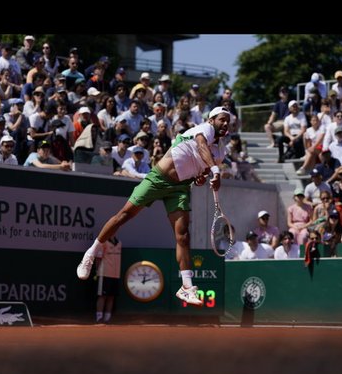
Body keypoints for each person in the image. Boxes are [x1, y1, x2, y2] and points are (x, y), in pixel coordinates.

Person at [76, 107, 232, 307]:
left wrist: (204, 178)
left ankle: (186, 287)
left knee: (183, 236)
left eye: (228, 121)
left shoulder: (220, 151)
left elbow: (199, 174)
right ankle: (91, 253)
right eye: (222, 119)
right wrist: (216, 171)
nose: (225, 123)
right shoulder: (204, 130)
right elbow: (201, 146)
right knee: (124, 215)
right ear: (212, 120)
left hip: (180, 187)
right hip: (158, 179)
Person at [93, 237, 122, 323]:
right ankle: (99, 317)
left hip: (116, 274)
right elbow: (98, 258)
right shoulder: (103, 242)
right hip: (104, 274)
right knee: (102, 296)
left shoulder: (119, 242)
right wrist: (97, 271)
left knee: (111, 297)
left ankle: (107, 318)